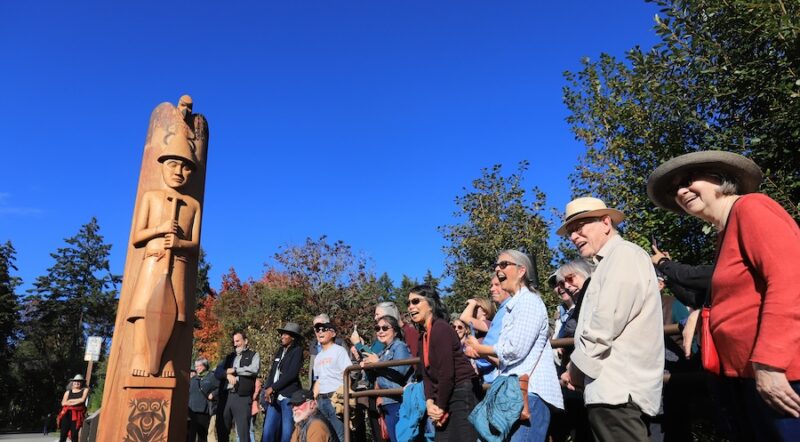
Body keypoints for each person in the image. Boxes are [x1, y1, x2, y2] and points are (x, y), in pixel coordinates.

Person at [647, 150, 800, 440]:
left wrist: (770, 363)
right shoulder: (725, 232)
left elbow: (791, 279)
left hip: (781, 376)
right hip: (745, 376)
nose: (681, 190)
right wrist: (702, 313)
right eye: (674, 189)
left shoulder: (752, 208)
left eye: (689, 180)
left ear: (721, 179)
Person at [557, 197, 664, 442]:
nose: (574, 236)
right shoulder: (607, 264)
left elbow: (603, 325)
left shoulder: (624, 255)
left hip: (617, 391)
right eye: (571, 232)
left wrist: (576, 369)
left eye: (580, 227)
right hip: (611, 389)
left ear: (606, 222)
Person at [466, 250, 564, 442]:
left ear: (521, 271)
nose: (497, 268)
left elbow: (514, 350)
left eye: (504, 265)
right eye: (496, 265)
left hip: (530, 393)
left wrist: (481, 348)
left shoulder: (528, 302)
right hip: (514, 393)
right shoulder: (514, 306)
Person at [127, 133, 201, 377]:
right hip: (152, 259)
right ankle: (140, 354)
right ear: (162, 166)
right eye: (173, 164)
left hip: (178, 262)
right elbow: (137, 236)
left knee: (178, 311)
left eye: (186, 167)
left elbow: (195, 244)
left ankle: (168, 358)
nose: (179, 171)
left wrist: (180, 242)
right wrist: (160, 229)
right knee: (141, 308)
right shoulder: (151, 197)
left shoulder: (193, 205)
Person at [407, 284, 479, 441]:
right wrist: (429, 402)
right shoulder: (423, 336)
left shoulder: (441, 328)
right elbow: (426, 375)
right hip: (444, 396)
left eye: (416, 301)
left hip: (461, 392)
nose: (411, 307)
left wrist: (439, 406)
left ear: (431, 304)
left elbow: (446, 373)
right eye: (409, 303)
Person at [360, 315, 412, 442]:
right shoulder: (384, 351)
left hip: (399, 401)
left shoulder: (400, 346)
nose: (380, 331)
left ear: (394, 330)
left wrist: (377, 363)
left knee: (402, 438)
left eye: (385, 328)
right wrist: (367, 364)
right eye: (377, 328)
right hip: (387, 402)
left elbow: (400, 370)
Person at [262, 322, 304, 442]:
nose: (282, 336)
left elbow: (291, 374)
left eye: (286, 334)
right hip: (274, 397)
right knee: (268, 431)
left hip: (288, 396)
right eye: (282, 334)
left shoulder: (297, 351)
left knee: (286, 433)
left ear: (293, 337)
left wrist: (273, 388)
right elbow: (272, 372)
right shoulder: (280, 350)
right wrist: (267, 388)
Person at [464, 276, 512, 383]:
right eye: (491, 285)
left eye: (497, 285)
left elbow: (464, 318)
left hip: (498, 376)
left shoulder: (507, 311)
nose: (491, 289)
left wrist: (472, 304)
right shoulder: (501, 311)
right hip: (491, 375)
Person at [215, 331, 261, 442]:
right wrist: (227, 374)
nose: (235, 344)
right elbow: (217, 372)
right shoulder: (229, 357)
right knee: (222, 429)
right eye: (234, 341)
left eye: (238, 341)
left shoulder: (253, 355)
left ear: (245, 341)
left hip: (242, 398)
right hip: (226, 397)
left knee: (243, 433)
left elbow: (253, 369)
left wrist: (235, 370)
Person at [312, 319, 350, 442]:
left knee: (341, 435)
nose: (320, 332)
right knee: (326, 436)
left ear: (333, 333)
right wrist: (313, 400)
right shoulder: (317, 357)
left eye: (324, 329)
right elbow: (318, 381)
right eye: (317, 330)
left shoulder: (339, 351)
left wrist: (344, 398)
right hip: (321, 400)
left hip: (335, 399)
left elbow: (347, 375)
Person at [190, 358, 220, 442]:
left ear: (204, 366)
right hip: (191, 410)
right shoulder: (193, 378)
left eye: (198, 366)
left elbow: (221, 388)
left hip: (203, 411)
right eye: (195, 366)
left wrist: (213, 394)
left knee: (202, 435)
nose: (196, 368)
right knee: (190, 434)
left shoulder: (212, 377)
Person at [57, 374, 89, 442]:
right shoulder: (68, 392)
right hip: (66, 415)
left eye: (79, 381)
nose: (77, 383)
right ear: (72, 382)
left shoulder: (85, 390)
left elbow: (82, 400)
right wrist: (77, 401)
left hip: (77, 416)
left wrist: (70, 401)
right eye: (75, 381)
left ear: (82, 383)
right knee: (63, 435)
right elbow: (63, 403)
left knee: (74, 435)